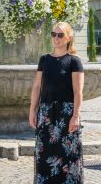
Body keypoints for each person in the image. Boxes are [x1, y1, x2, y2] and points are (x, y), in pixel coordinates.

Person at [29, 21, 84, 184]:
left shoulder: (74, 61)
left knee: (68, 158)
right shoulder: (44, 59)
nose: (56, 38)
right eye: (54, 34)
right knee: (44, 157)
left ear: (68, 38)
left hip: (66, 115)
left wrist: (76, 116)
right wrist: (32, 110)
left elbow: (78, 91)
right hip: (46, 114)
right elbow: (37, 86)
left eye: (60, 35)